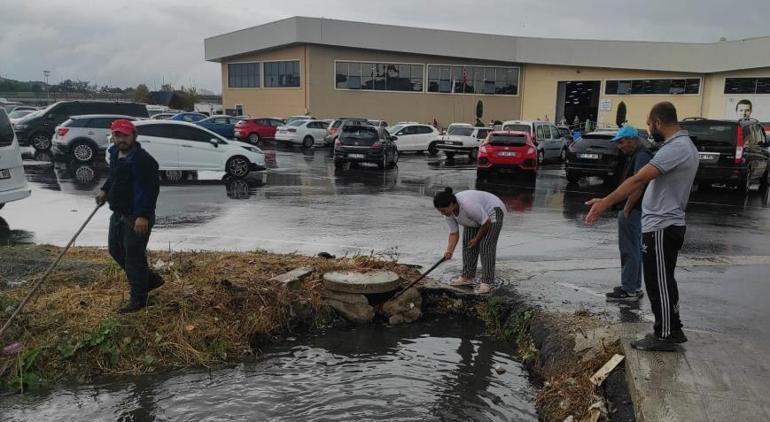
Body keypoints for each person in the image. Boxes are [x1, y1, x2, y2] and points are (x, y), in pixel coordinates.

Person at [585, 102, 698, 351]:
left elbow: (638, 180)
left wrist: (605, 202)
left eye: (649, 123)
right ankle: (670, 328)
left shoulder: (677, 148)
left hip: (662, 225)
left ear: (658, 122)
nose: (648, 129)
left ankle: (666, 334)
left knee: (659, 282)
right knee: (661, 279)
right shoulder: (677, 146)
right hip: (663, 224)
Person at [95, 119, 163, 313]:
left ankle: (138, 299)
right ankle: (149, 280)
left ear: (134, 135)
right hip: (118, 212)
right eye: (117, 135)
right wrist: (105, 191)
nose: (120, 139)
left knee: (133, 258)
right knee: (115, 250)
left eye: (124, 135)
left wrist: (143, 216)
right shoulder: (116, 154)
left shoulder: (143, 160)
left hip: (137, 217)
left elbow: (150, 190)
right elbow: (115, 178)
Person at [605, 126, 652, 302]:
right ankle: (633, 286)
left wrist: (627, 209)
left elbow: (639, 183)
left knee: (629, 249)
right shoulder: (639, 155)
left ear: (632, 140)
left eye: (622, 142)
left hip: (633, 210)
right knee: (635, 249)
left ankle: (629, 289)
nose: (620, 146)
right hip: (637, 209)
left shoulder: (641, 156)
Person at [433, 188, 505, 294]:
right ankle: (467, 277)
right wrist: (449, 251)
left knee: (485, 245)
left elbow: (486, 223)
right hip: (476, 217)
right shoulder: (448, 213)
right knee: (468, 243)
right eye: (440, 211)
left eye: (443, 210)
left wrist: (477, 239)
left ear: (452, 204)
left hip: (492, 211)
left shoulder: (468, 206)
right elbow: (454, 233)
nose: (442, 213)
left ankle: (488, 282)